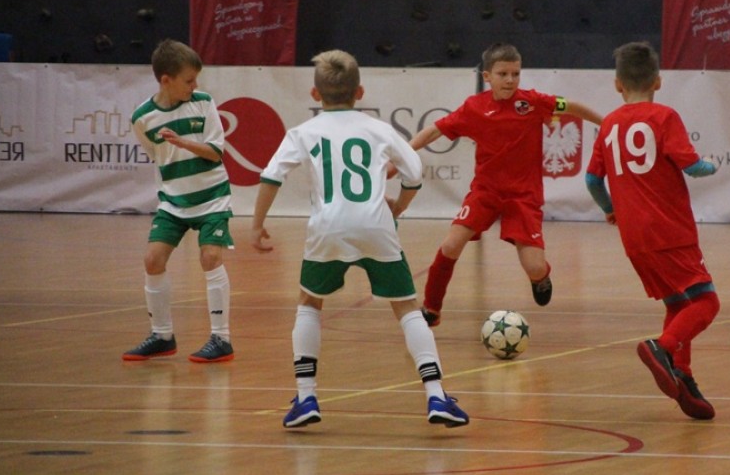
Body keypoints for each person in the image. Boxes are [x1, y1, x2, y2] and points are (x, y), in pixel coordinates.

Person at [251, 49, 469, 429]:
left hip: (328, 228)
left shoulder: (303, 132)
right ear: (360, 92)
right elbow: (414, 172)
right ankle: (436, 395)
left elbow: (271, 176)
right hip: (376, 227)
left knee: (310, 302)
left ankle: (306, 397)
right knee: (406, 307)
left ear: (315, 94)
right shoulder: (379, 129)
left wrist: (256, 224)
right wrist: (399, 207)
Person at [409, 42, 603, 327]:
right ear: (487, 76)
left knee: (534, 267)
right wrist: (403, 154)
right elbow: (433, 131)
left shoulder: (533, 102)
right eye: (503, 74)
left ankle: (541, 276)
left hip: (523, 197)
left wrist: (607, 124)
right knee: (451, 244)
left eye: (515, 73)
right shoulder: (474, 108)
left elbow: (572, 107)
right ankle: (432, 308)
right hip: (485, 193)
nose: (510, 80)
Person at [584, 41, 721, 420]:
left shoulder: (609, 124)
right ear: (658, 81)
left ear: (617, 84)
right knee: (707, 302)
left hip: (634, 237)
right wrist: (711, 164)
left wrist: (610, 210)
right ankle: (662, 347)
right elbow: (693, 167)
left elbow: (592, 180)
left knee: (677, 303)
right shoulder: (664, 117)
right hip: (670, 231)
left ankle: (682, 376)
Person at [123, 39, 235, 363]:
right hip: (173, 201)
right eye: (189, 80)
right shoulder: (142, 118)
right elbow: (157, 156)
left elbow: (216, 152)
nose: (194, 85)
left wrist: (184, 143)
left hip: (212, 197)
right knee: (153, 260)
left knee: (210, 257)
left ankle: (221, 338)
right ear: (166, 80)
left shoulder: (203, 103)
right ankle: (162, 336)